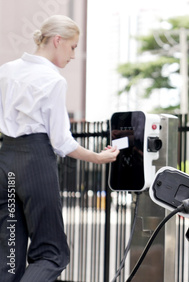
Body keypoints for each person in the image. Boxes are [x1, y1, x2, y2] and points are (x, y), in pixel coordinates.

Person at [0, 15, 119, 281]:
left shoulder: (6, 71)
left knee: (8, 254)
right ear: (57, 40)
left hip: (6, 162)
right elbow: (62, 142)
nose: (74, 55)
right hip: (35, 163)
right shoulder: (52, 80)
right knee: (51, 252)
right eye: (73, 46)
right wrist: (98, 157)